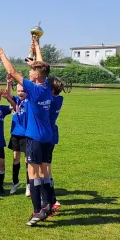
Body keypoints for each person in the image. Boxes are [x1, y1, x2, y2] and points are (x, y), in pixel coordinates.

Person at [0, 39, 53, 226]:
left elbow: (11, 72)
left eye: (31, 70)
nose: (29, 71)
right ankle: (47, 204)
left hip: (34, 137)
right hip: (46, 137)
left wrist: (1, 53)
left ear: (36, 75)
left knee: (33, 173)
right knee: (44, 172)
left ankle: (37, 211)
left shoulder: (34, 90)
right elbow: (42, 67)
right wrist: (36, 48)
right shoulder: (47, 87)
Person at [6, 75, 29, 195]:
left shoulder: (29, 101)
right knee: (15, 158)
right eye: (19, 90)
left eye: (23, 91)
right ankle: (15, 182)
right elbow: (8, 96)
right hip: (15, 133)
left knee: (27, 160)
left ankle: (29, 184)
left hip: (26, 134)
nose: (21, 93)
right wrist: (9, 83)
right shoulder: (15, 100)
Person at [46, 76, 65, 212]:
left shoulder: (51, 100)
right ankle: (49, 198)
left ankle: (52, 199)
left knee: (45, 169)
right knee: (46, 167)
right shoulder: (59, 99)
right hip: (52, 135)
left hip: (47, 136)